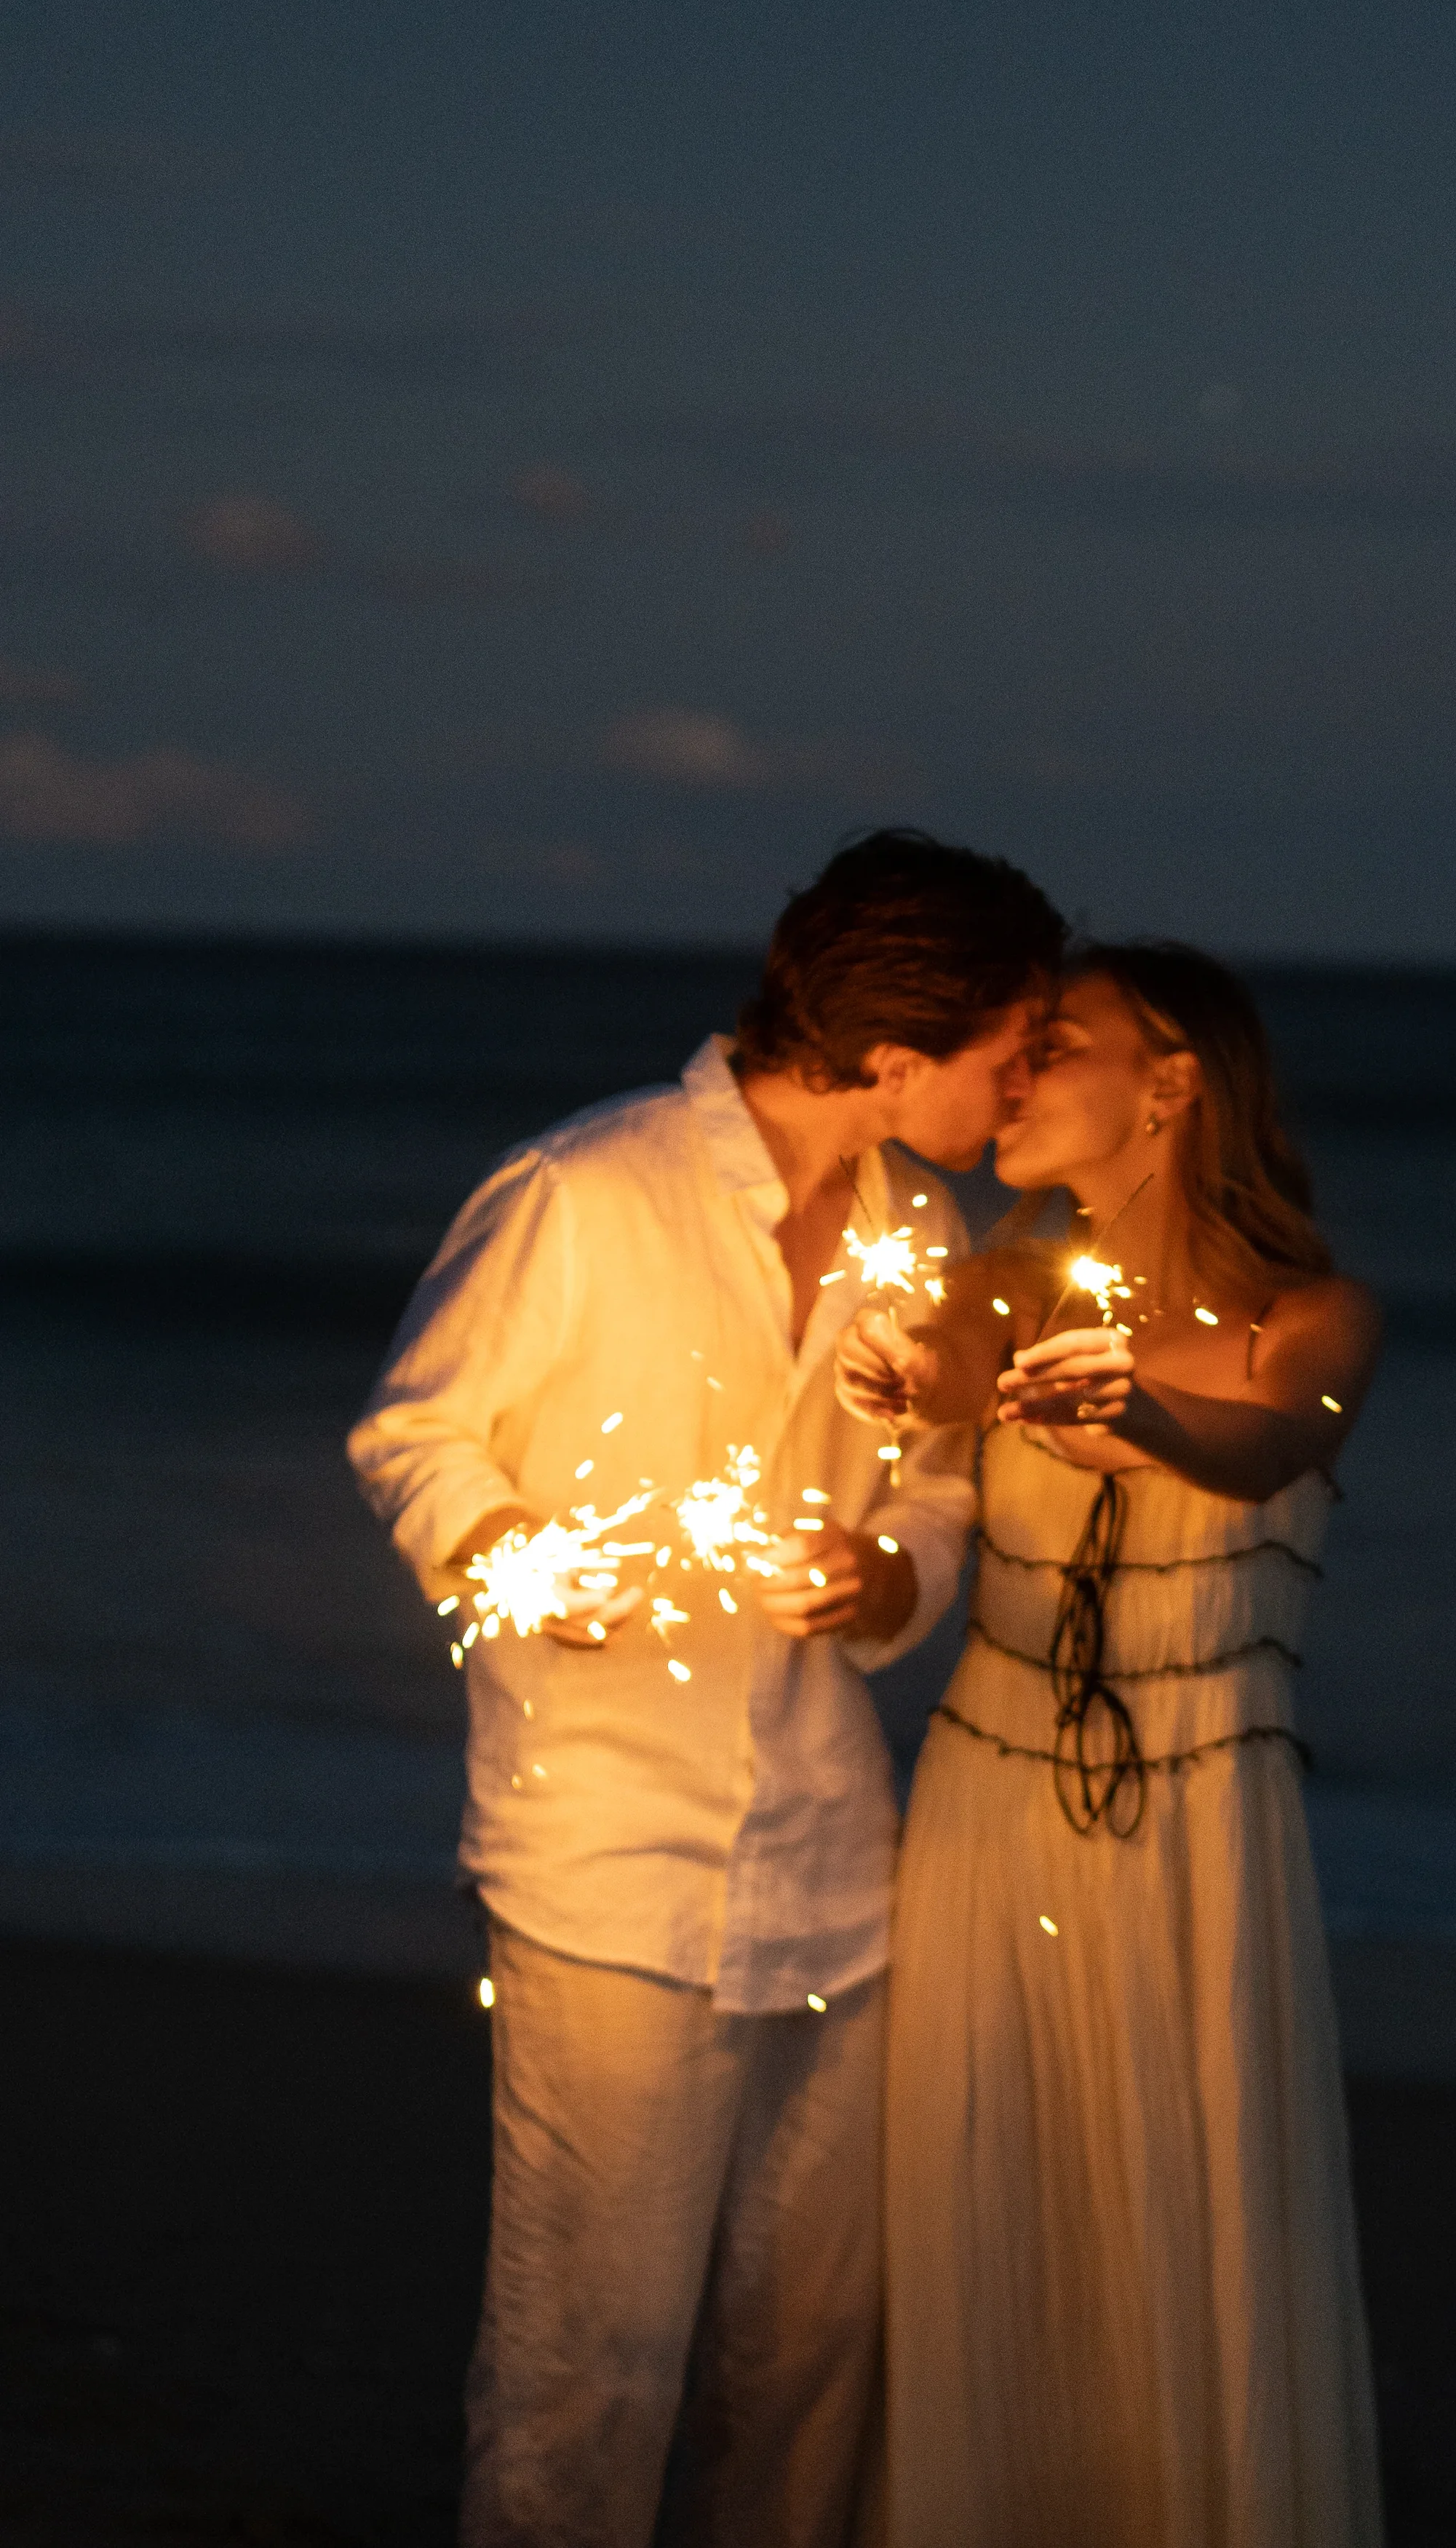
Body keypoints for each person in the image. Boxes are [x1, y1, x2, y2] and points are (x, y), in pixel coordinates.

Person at [346, 830, 1065, 2548]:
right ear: (896, 1056)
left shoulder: (919, 1221)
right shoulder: (585, 1191)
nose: (1026, 1080)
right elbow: (413, 1431)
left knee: (810, 2360)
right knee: (585, 2370)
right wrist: (519, 1555)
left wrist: (887, 1574)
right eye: (1010, 1047)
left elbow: (939, 1483)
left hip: (840, 1873)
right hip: (609, 1874)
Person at [835, 941, 1385, 2548]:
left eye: (1053, 1044)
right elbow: (921, 1378)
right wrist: (893, 1380)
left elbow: (1269, 1438)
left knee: (1188, 2221)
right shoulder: (1003, 1287)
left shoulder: (1314, 1316)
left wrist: (1136, 1412)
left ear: (1171, 1081)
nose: (1014, 1077)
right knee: (989, 2211)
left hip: (1201, 1829)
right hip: (985, 1810)